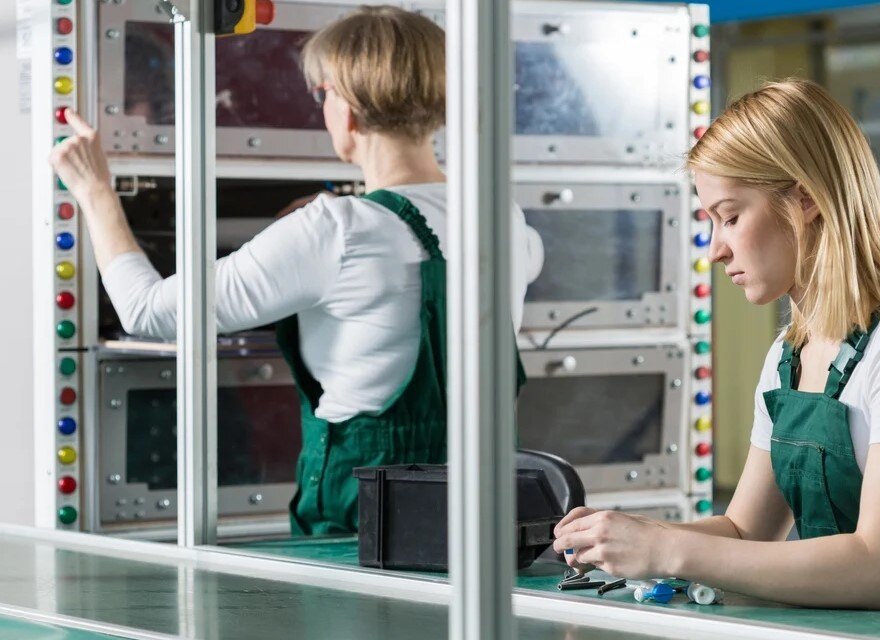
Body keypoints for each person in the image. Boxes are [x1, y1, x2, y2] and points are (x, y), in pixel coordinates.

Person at [49, 6, 541, 536]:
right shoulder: (501, 216)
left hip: (366, 527)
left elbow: (147, 312)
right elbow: (416, 250)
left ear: (347, 107)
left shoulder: (334, 230)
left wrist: (95, 191)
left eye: (322, 93)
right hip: (482, 521)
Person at [552, 79, 880, 609]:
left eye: (731, 216)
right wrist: (624, 536)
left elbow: (879, 572)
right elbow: (746, 532)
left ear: (805, 197)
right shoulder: (789, 354)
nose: (716, 250)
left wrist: (665, 547)